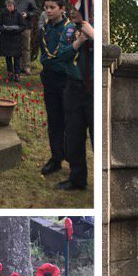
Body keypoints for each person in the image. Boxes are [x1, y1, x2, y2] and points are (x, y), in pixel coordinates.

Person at [36, 0, 75, 176]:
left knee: (69, 121)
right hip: (50, 78)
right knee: (54, 119)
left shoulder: (70, 28)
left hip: (66, 79)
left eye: (52, 7)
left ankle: (72, 157)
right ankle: (56, 157)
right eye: (46, 7)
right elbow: (44, 54)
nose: (49, 11)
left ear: (62, 9)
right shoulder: (44, 29)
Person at [56, 14, 94, 190]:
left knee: (97, 137)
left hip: (94, 88)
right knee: (73, 135)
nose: (74, 10)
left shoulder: (98, 27)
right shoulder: (70, 29)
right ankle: (77, 178)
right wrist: (79, 41)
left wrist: (93, 35)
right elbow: (62, 55)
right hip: (74, 87)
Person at [5, 0, 38, 75]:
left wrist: (27, 14)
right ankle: (17, 67)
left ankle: (26, 67)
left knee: (26, 47)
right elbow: (6, 10)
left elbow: (35, 11)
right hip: (14, 27)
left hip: (26, 26)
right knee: (16, 47)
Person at [0, 0, 27, 82]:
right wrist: (4, 29)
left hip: (16, 38)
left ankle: (17, 74)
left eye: (10, 6)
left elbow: (23, 26)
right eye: (7, 6)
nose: (9, 8)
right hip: (6, 38)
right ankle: (10, 73)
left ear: (14, 5)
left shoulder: (18, 14)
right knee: (8, 57)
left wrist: (16, 30)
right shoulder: (3, 13)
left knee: (16, 57)